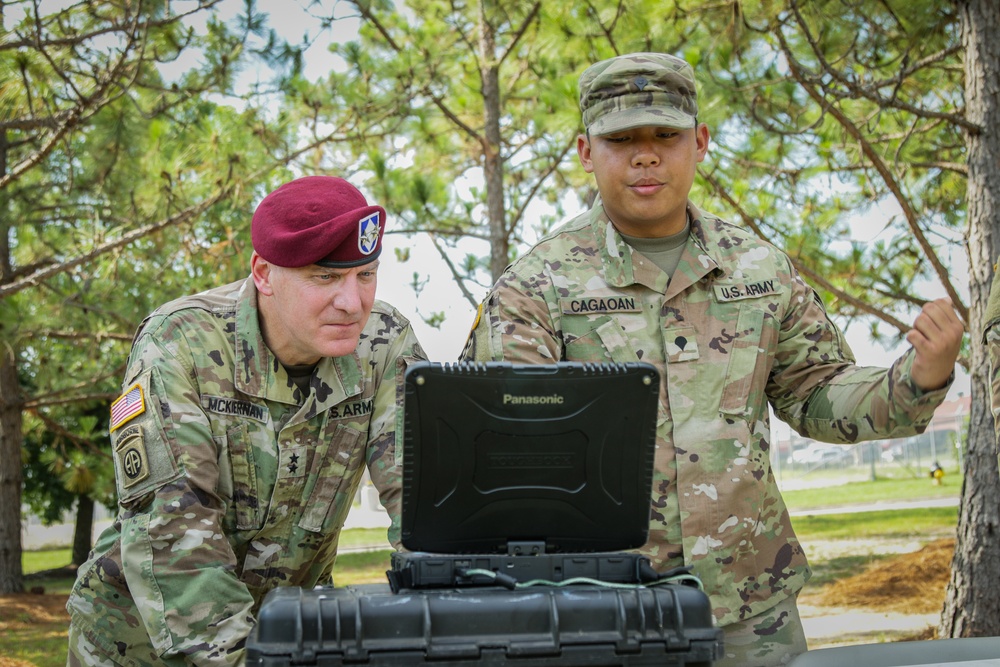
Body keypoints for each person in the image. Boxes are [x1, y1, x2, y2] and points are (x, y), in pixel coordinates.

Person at [460, 53, 963, 667]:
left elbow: (819, 393)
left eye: (665, 136)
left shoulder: (758, 269)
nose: (646, 156)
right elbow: (505, 448)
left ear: (699, 142)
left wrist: (917, 377)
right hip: (601, 608)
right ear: (587, 152)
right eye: (621, 139)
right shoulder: (536, 286)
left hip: (751, 605)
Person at [66, 175, 427, 666]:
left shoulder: (383, 343)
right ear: (263, 273)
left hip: (292, 634)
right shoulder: (182, 342)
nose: (352, 303)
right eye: (325, 277)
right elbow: (174, 532)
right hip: (142, 643)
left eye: (365, 275)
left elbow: (424, 497)